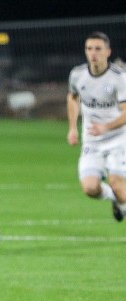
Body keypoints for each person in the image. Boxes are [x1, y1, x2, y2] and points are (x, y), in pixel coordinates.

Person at [67, 31, 126, 221]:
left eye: (98, 49)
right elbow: (73, 98)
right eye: (89, 48)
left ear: (108, 52)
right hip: (92, 141)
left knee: (118, 185)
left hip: (119, 139)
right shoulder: (77, 75)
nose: (93, 53)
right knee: (90, 188)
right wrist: (72, 128)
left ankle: (120, 200)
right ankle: (116, 200)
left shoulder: (119, 78)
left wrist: (107, 127)